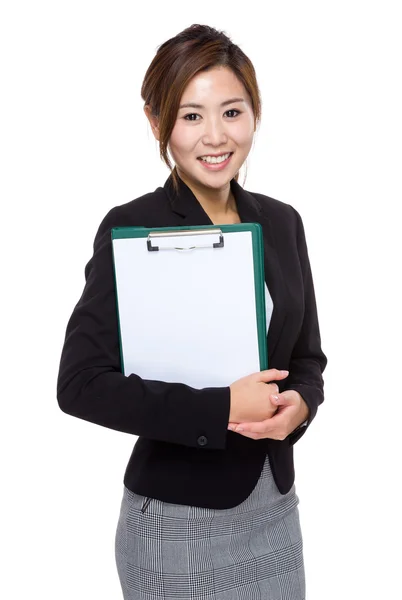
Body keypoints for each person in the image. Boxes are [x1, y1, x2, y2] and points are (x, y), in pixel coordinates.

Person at [56, 23, 327, 600]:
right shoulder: (130, 228)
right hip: (176, 519)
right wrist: (222, 405)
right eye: (191, 116)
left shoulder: (282, 222)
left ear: (255, 114)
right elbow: (79, 385)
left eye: (232, 112)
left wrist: (299, 404)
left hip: (274, 507)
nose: (215, 136)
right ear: (157, 123)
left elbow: (307, 357)